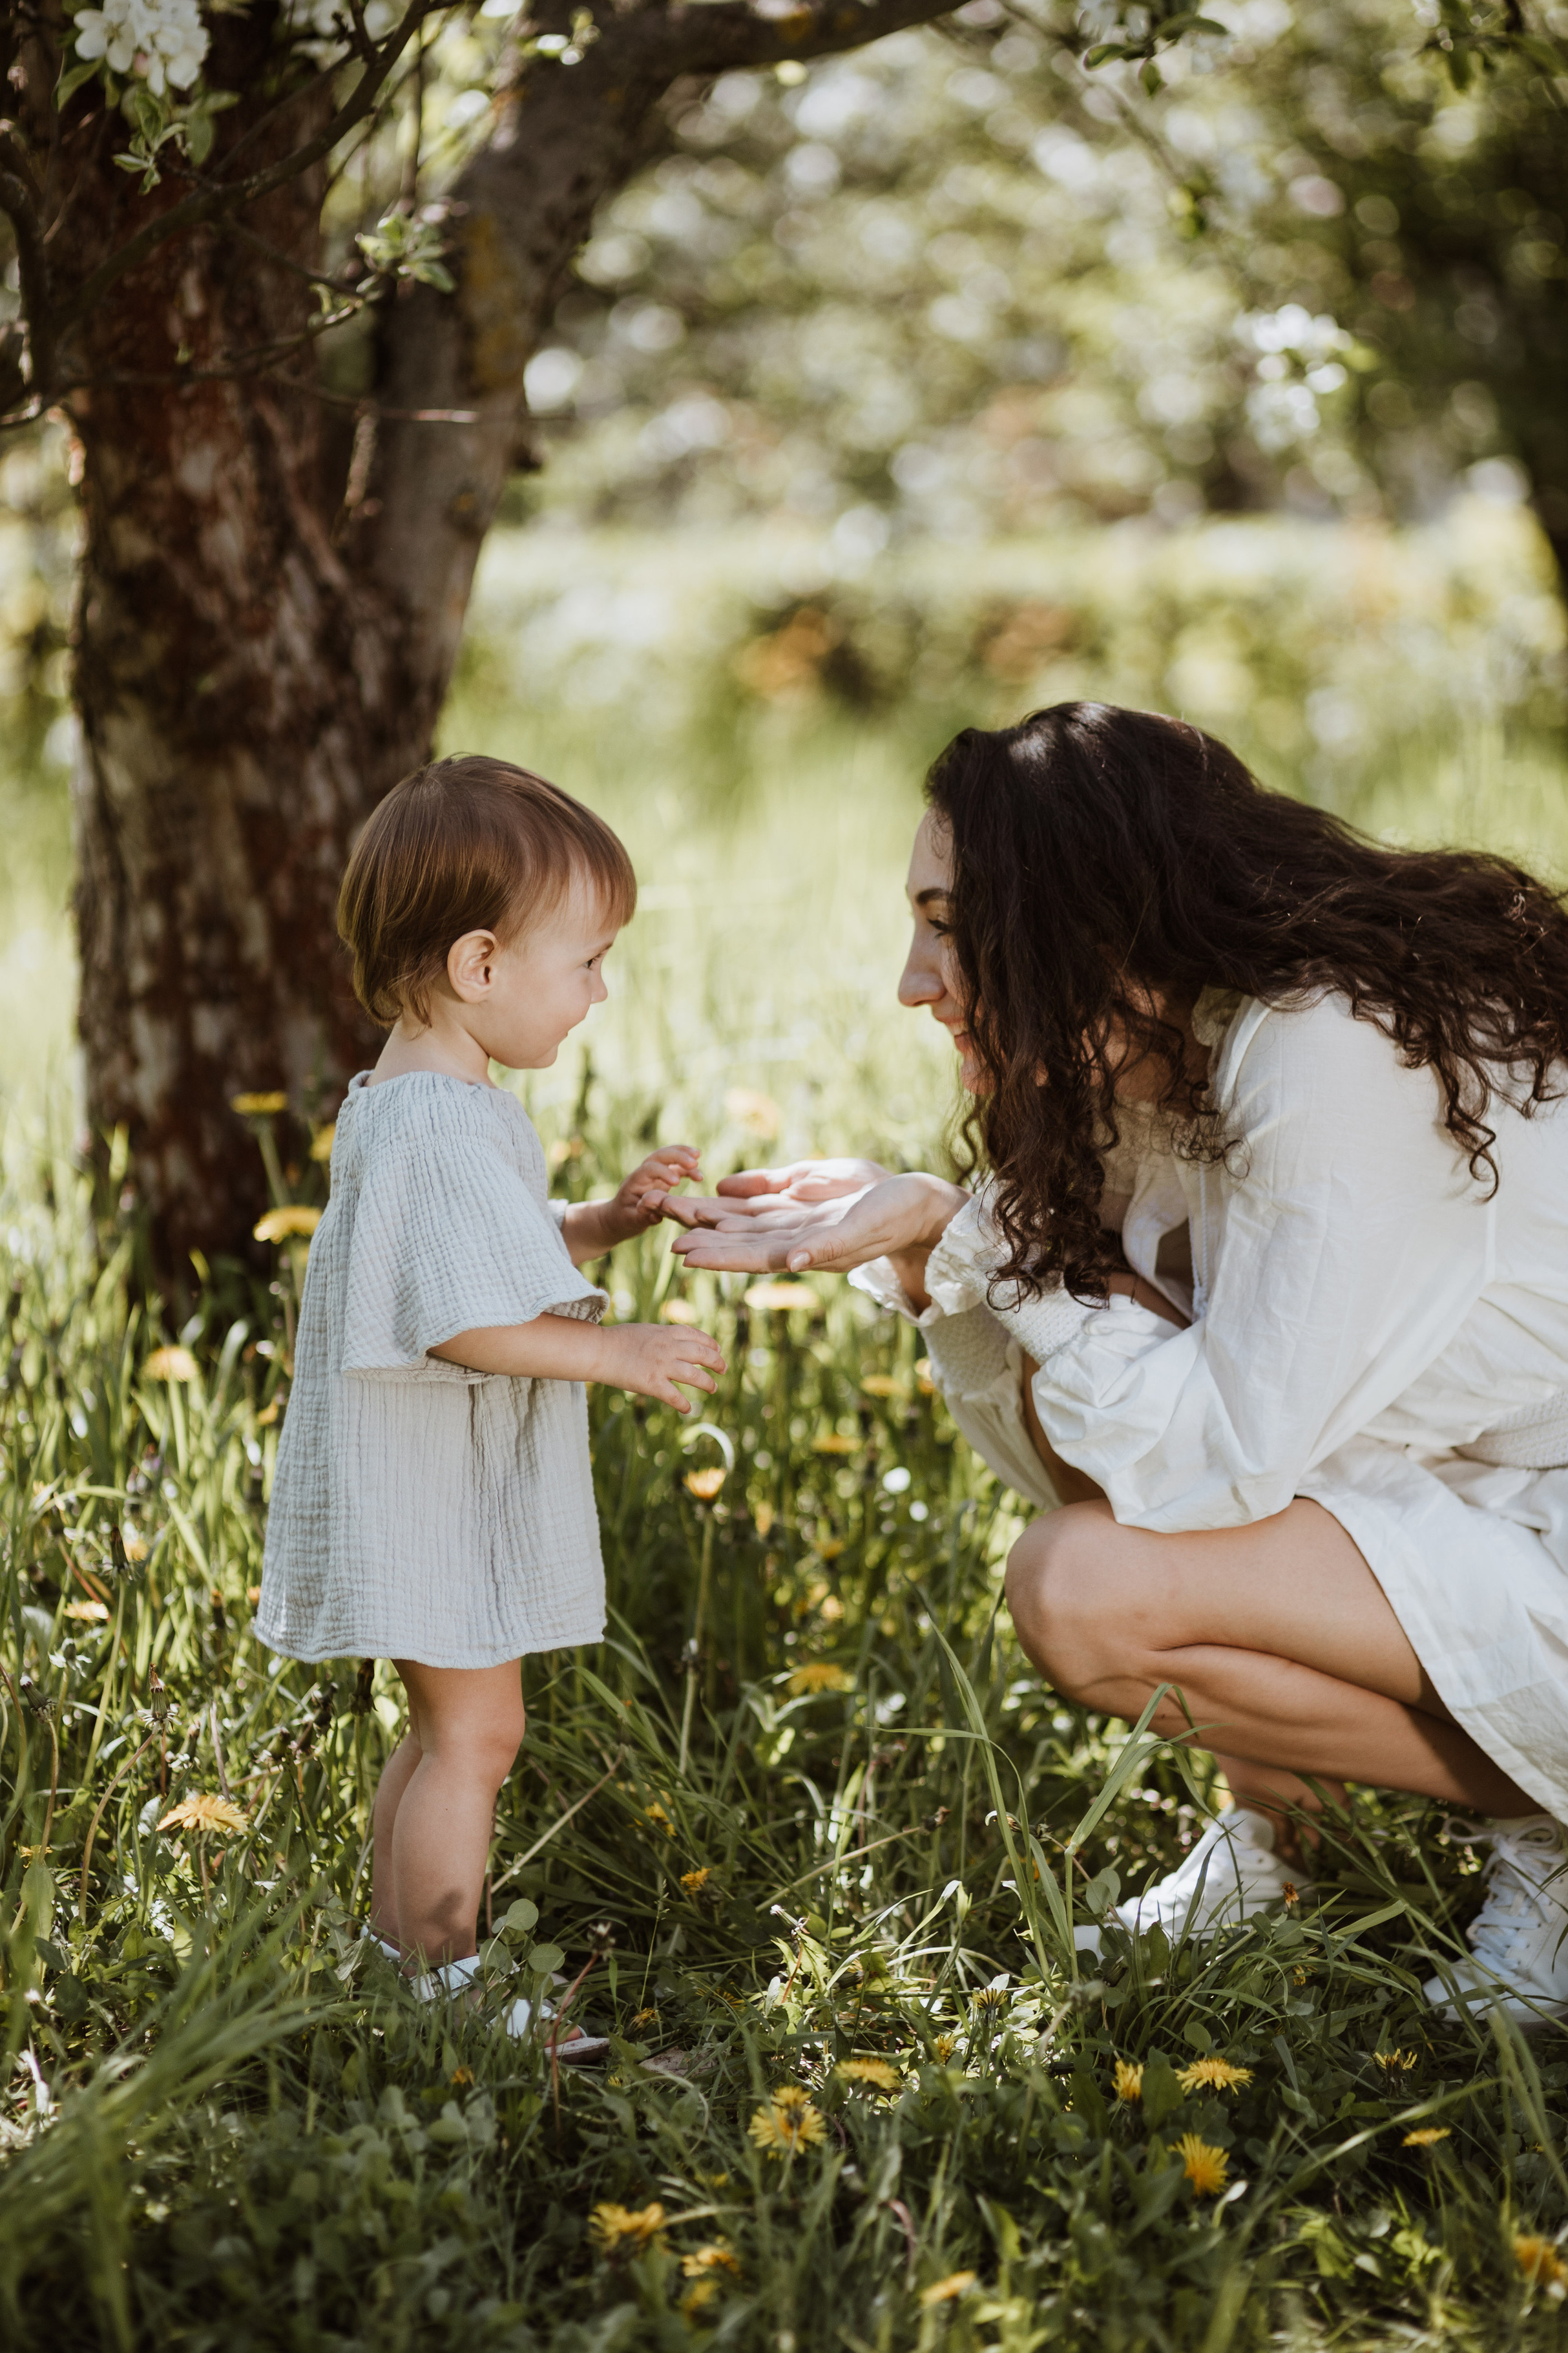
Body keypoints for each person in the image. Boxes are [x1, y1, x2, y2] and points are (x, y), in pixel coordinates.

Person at [670, 701, 1568, 2025]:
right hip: (1445, 1498)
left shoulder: (1324, 1049)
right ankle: (1282, 1843)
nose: (913, 983)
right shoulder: (1134, 1064)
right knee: (1089, 1556)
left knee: (1078, 1591)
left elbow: (1215, 1466)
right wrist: (937, 1257)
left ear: (1086, 920)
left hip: (1542, 1514)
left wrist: (962, 1234)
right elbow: (1073, 1450)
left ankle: (1548, 1827)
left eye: (944, 921)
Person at [257, 755, 724, 2049]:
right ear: (478, 966)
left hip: (425, 1480)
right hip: (427, 1486)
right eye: (584, 961)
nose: (597, 992)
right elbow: (460, 1321)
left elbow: (495, 1252)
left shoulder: (434, 1104)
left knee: (449, 1730)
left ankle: (404, 1964)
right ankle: (449, 1988)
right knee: (478, 1738)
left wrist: (606, 1221)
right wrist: (618, 1352)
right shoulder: (432, 1124)